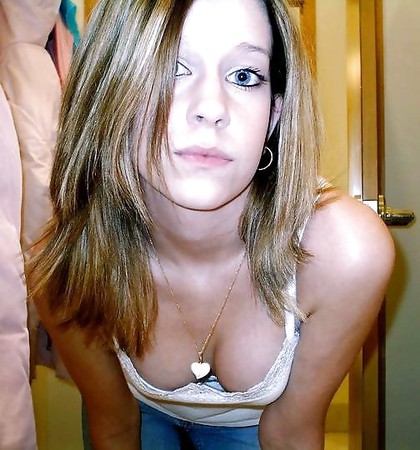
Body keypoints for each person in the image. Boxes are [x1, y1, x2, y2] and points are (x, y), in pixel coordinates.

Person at [28, 0, 395, 448]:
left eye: (244, 76)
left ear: (274, 114)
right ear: (109, 90)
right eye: (171, 67)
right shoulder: (64, 262)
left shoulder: (346, 253)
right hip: (136, 411)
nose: (210, 108)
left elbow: (291, 430)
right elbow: (115, 424)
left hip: (255, 423)